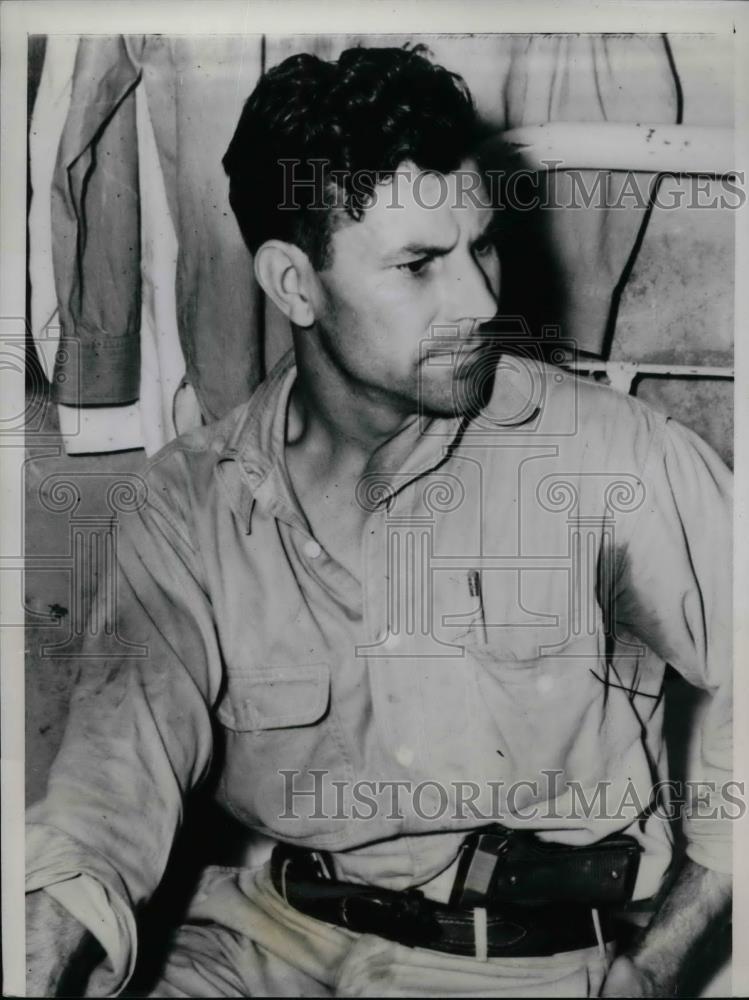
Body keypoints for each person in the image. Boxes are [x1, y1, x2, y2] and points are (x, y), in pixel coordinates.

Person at [26, 45, 732, 998]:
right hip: (258, 941)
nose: (481, 300)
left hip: (519, 962)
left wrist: (661, 957)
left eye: (481, 244)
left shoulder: (606, 459)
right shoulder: (189, 503)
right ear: (293, 285)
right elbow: (108, 782)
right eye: (419, 265)